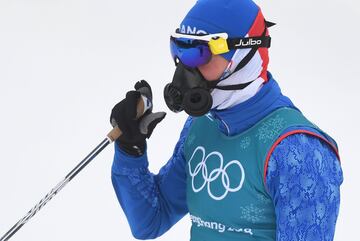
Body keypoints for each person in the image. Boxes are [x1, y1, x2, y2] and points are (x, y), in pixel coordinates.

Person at [110, 0, 343, 240]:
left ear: (245, 53)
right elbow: (151, 220)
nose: (184, 75)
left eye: (201, 54)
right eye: (178, 51)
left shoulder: (298, 150)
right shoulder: (201, 127)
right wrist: (131, 150)